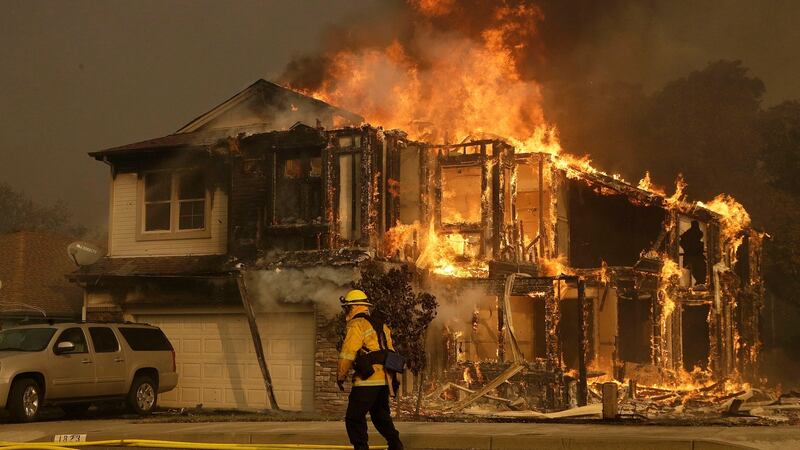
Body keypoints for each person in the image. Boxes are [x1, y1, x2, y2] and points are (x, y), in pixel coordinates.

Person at [337, 290, 403, 450]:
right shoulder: (381, 324)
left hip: (367, 381)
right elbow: (390, 351)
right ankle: (396, 445)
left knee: (354, 418)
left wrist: (341, 375)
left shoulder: (356, 324)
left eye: (347, 307)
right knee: (380, 416)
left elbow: (348, 352)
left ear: (353, 307)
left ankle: (361, 448)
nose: (346, 310)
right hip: (384, 380)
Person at [680, 220, 707, 286]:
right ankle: (698, 284)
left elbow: (681, 241)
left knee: (700, 273)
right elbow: (682, 242)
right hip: (693, 258)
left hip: (694, 258)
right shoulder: (689, 234)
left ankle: (699, 284)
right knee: (694, 273)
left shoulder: (689, 234)